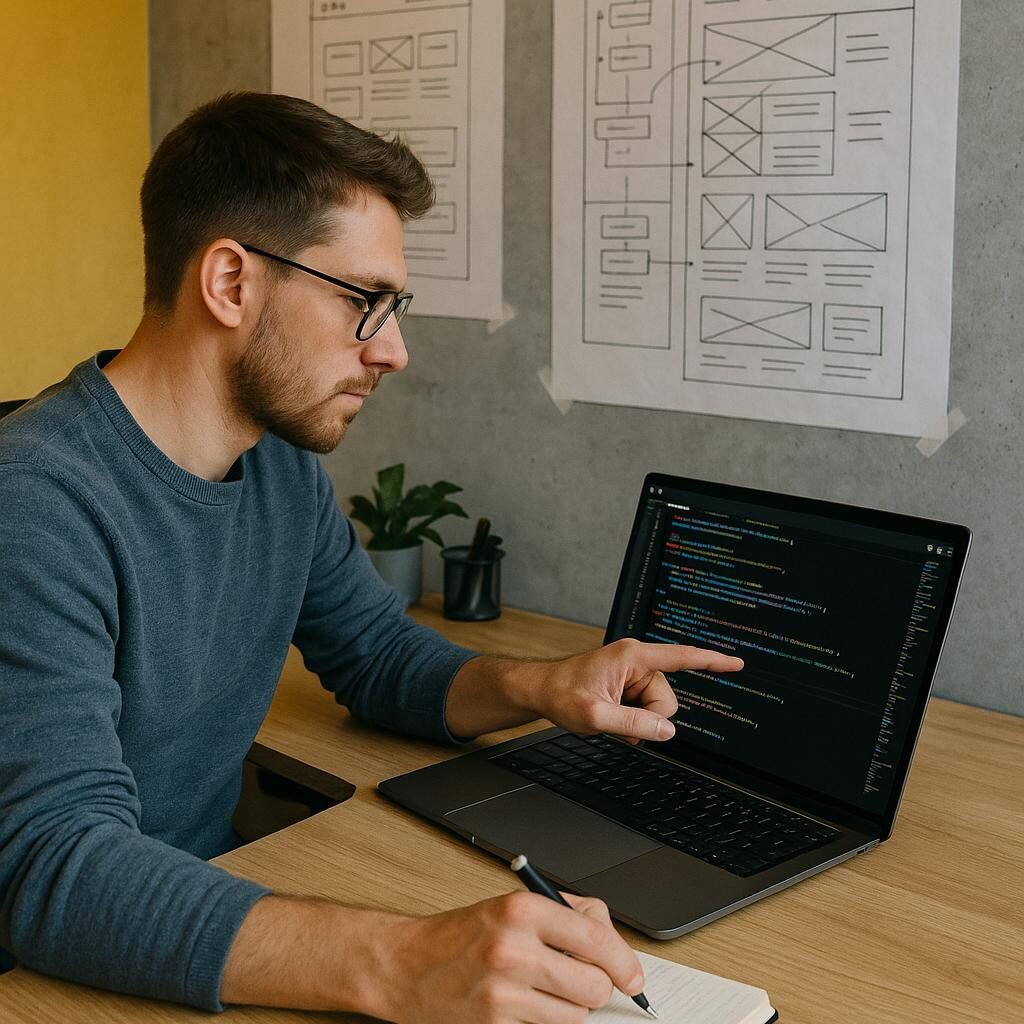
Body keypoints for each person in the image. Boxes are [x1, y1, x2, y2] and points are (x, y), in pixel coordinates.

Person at [0, 92, 743, 1021]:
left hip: (209, 927)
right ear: (230, 282)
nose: (394, 348)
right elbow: (54, 864)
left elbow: (378, 658)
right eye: (364, 301)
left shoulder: (274, 467)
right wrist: (407, 960)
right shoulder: (33, 500)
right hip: (65, 976)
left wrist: (542, 688)